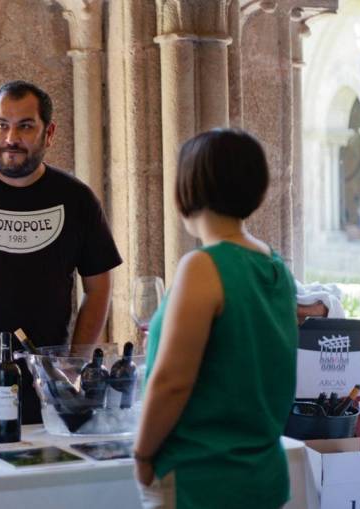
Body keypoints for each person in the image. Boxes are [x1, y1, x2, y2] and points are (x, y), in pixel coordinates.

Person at [0, 80, 122, 424]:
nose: (11, 138)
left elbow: (99, 288)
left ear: (49, 131)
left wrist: (74, 362)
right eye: (2, 126)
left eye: (25, 126)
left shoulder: (76, 199)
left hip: (45, 389)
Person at [133, 129, 297, 508]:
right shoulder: (274, 264)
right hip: (263, 473)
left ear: (187, 187)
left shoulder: (203, 266)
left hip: (203, 476)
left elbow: (172, 381)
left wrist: (141, 454)